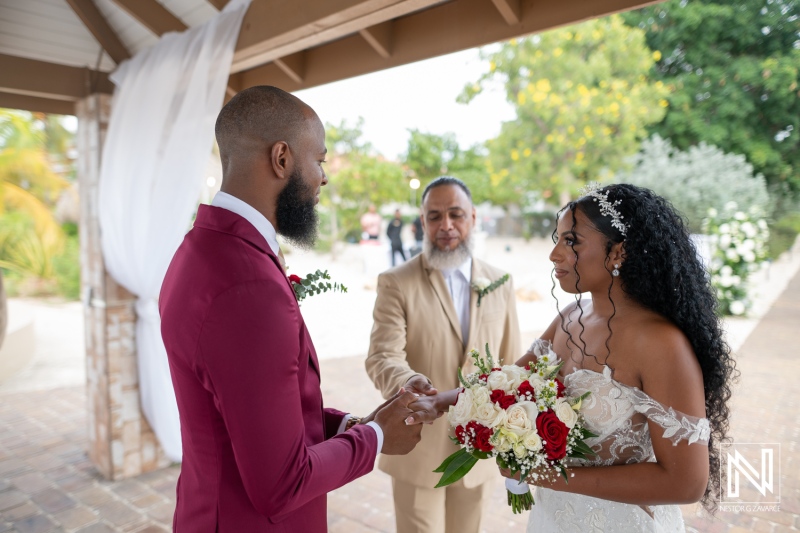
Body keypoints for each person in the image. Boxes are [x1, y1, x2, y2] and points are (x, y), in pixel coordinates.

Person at [159, 86, 426, 532]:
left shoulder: (199, 249)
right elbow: (280, 484)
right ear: (281, 158)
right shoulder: (246, 284)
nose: (324, 177)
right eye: (318, 160)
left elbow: (247, 412)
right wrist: (376, 438)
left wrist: (356, 424)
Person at [508, 183, 736, 532]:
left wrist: (548, 474)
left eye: (571, 241)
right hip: (551, 519)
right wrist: (440, 401)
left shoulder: (661, 344)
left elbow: (686, 482)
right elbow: (505, 384)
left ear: (618, 253)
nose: (554, 254)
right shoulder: (570, 316)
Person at [366, 176, 521, 533]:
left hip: (479, 450)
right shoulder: (396, 281)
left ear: (473, 217)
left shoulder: (501, 282)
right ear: (422, 222)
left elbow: (512, 365)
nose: (446, 225)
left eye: (456, 214)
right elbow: (381, 356)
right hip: (417, 449)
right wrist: (407, 383)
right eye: (434, 216)